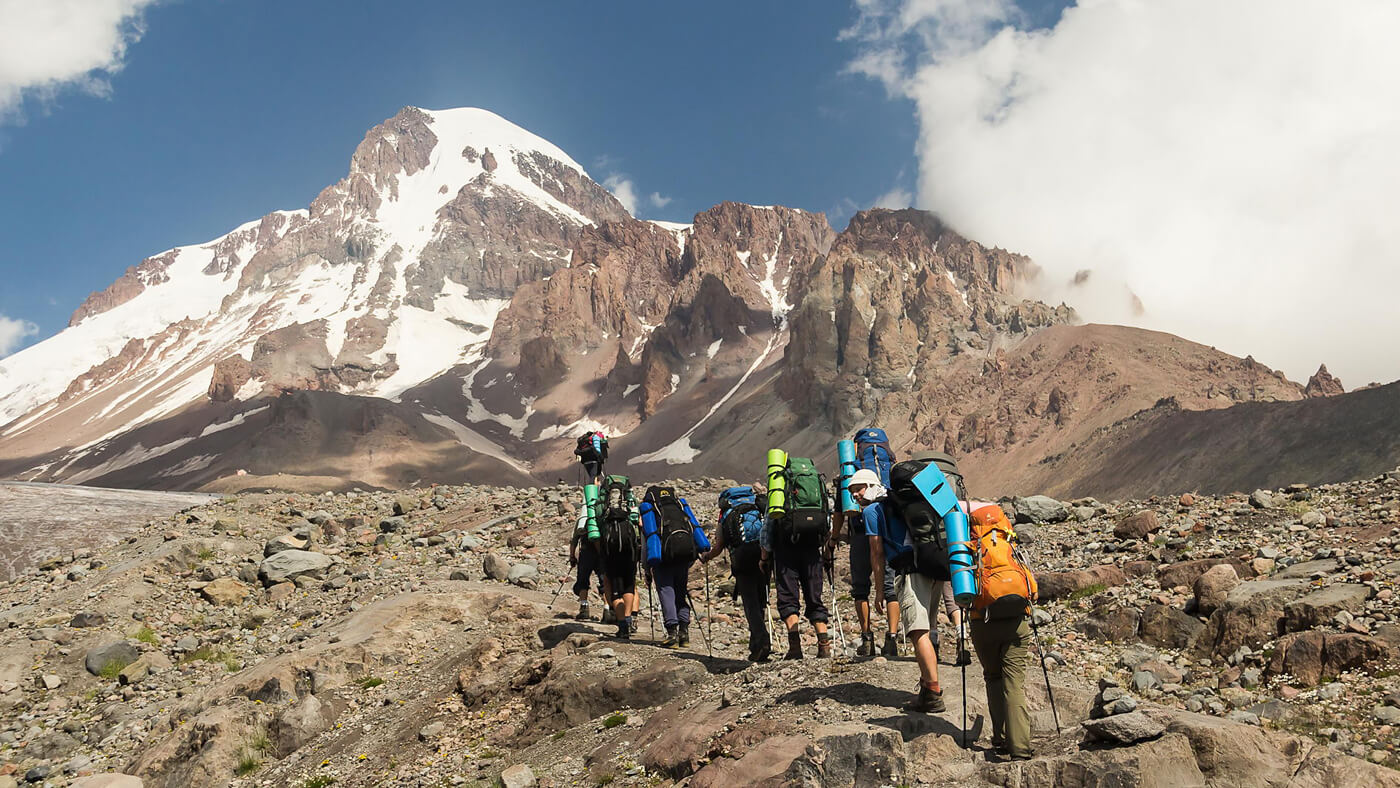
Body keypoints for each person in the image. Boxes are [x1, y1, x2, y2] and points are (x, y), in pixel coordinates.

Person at [851, 468, 946, 713]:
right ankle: (926, 688)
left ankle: (933, 692)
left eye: (858, 490)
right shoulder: (908, 502)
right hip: (932, 567)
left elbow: (876, 553)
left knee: (918, 632)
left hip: (910, 571)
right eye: (852, 493)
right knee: (928, 627)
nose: (856, 496)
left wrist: (880, 590)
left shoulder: (873, 511)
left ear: (871, 486)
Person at [966, 503, 1037, 761]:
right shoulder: (1009, 542)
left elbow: (962, 595)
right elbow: (1031, 585)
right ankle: (1020, 748)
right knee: (1014, 683)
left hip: (983, 623)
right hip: (1016, 622)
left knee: (993, 677)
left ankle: (1000, 738)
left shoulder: (968, 546)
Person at [702, 486, 771, 662]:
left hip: (742, 558)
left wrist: (707, 557)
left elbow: (719, 545)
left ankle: (761, 641)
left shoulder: (726, 512)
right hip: (764, 554)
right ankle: (756, 644)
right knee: (761, 599)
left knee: (750, 602)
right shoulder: (757, 505)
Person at [760, 500, 831, 660]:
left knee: (788, 597)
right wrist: (827, 550)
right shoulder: (814, 489)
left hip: (785, 551)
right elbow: (827, 522)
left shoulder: (778, 493)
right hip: (812, 550)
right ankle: (824, 644)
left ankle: (795, 647)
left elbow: (767, 529)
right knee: (814, 597)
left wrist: (764, 557)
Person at [641, 486, 710, 648]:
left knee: (666, 591)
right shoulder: (679, 507)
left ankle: (672, 633)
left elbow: (647, 543)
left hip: (663, 559)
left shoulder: (651, 512)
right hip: (684, 556)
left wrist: (646, 568)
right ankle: (684, 633)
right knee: (680, 592)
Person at [828, 508, 900, 657]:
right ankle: (892, 638)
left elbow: (839, 513)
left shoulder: (846, 485)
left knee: (860, 588)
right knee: (890, 586)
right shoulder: (886, 483)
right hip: (887, 532)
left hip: (859, 534)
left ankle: (867, 639)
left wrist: (833, 540)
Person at [569, 508, 609, 621]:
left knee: (583, 580)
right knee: (604, 581)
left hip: (586, 553)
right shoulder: (602, 516)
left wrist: (572, 556)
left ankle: (584, 608)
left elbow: (574, 540)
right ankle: (607, 610)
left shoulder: (582, 520)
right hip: (601, 553)